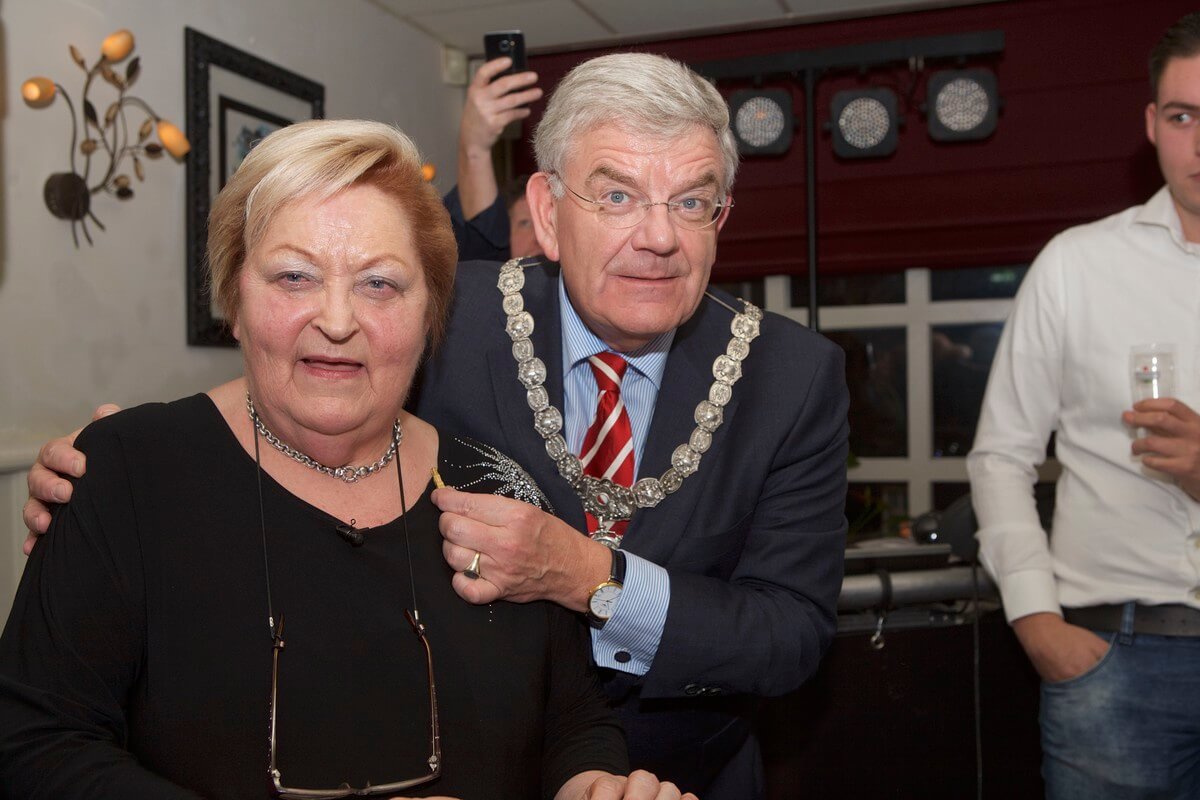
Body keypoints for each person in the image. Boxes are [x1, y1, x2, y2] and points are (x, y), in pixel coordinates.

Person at [24, 53, 849, 799]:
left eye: (692, 200)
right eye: (618, 194)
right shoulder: (457, 313)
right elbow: (312, 370)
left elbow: (790, 632)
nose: (659, 235)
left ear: (721, 216)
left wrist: (589, 574)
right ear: (550, 211)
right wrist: (128, 470)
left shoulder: (792, 376)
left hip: (678, 771)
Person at [968, 13, 1200, 798]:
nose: (1199, 141)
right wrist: (1037, 622)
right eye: (1182, 116)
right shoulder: (1077, 265)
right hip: (1110, 662)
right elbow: (1001, 455)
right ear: (1152, 124)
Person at [442, 55, 544, 261]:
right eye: (525, 223)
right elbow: (483, 227)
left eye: (548, 224)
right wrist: (474, 145)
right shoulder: (490, 285)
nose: (538, 238)